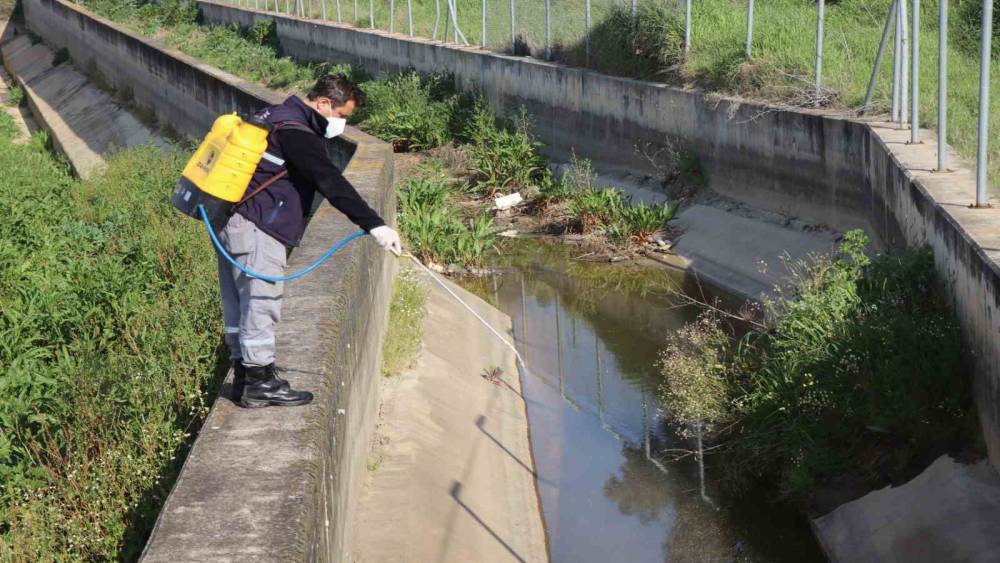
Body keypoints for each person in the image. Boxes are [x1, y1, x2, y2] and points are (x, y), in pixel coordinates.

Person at [216, 74, 401, 408]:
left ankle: (245, 376)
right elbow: (329, 181)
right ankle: (259, 383)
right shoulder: (296, 132)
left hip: (234, 220)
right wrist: (375, 225)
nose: (341, 124)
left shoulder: (274, 114)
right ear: (324, 103)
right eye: (341, 115)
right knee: (261, 301)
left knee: (239, 303)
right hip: (258, 226)